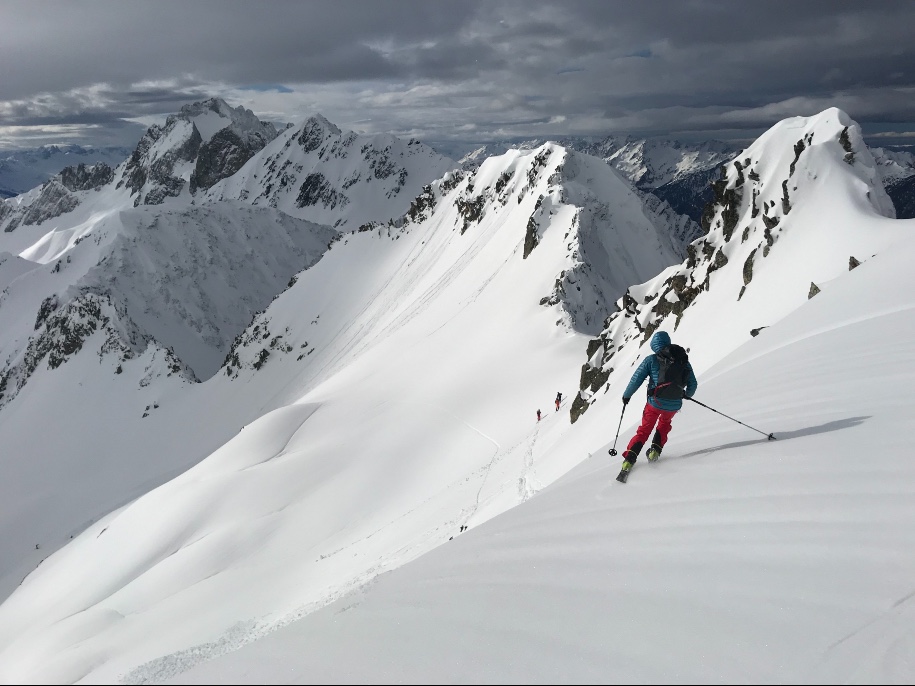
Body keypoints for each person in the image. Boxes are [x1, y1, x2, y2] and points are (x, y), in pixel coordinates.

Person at [619, 330, 697, 475]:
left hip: (655, 403)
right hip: (674, 404)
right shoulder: (682, 359)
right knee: (664, 425)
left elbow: (636, 379)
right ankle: (655, 452)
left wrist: (626, 396)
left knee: (644, 430)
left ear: (654, 346)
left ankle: (629, 460)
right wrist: (686, 395)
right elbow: (693, 383)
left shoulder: (651, 359)